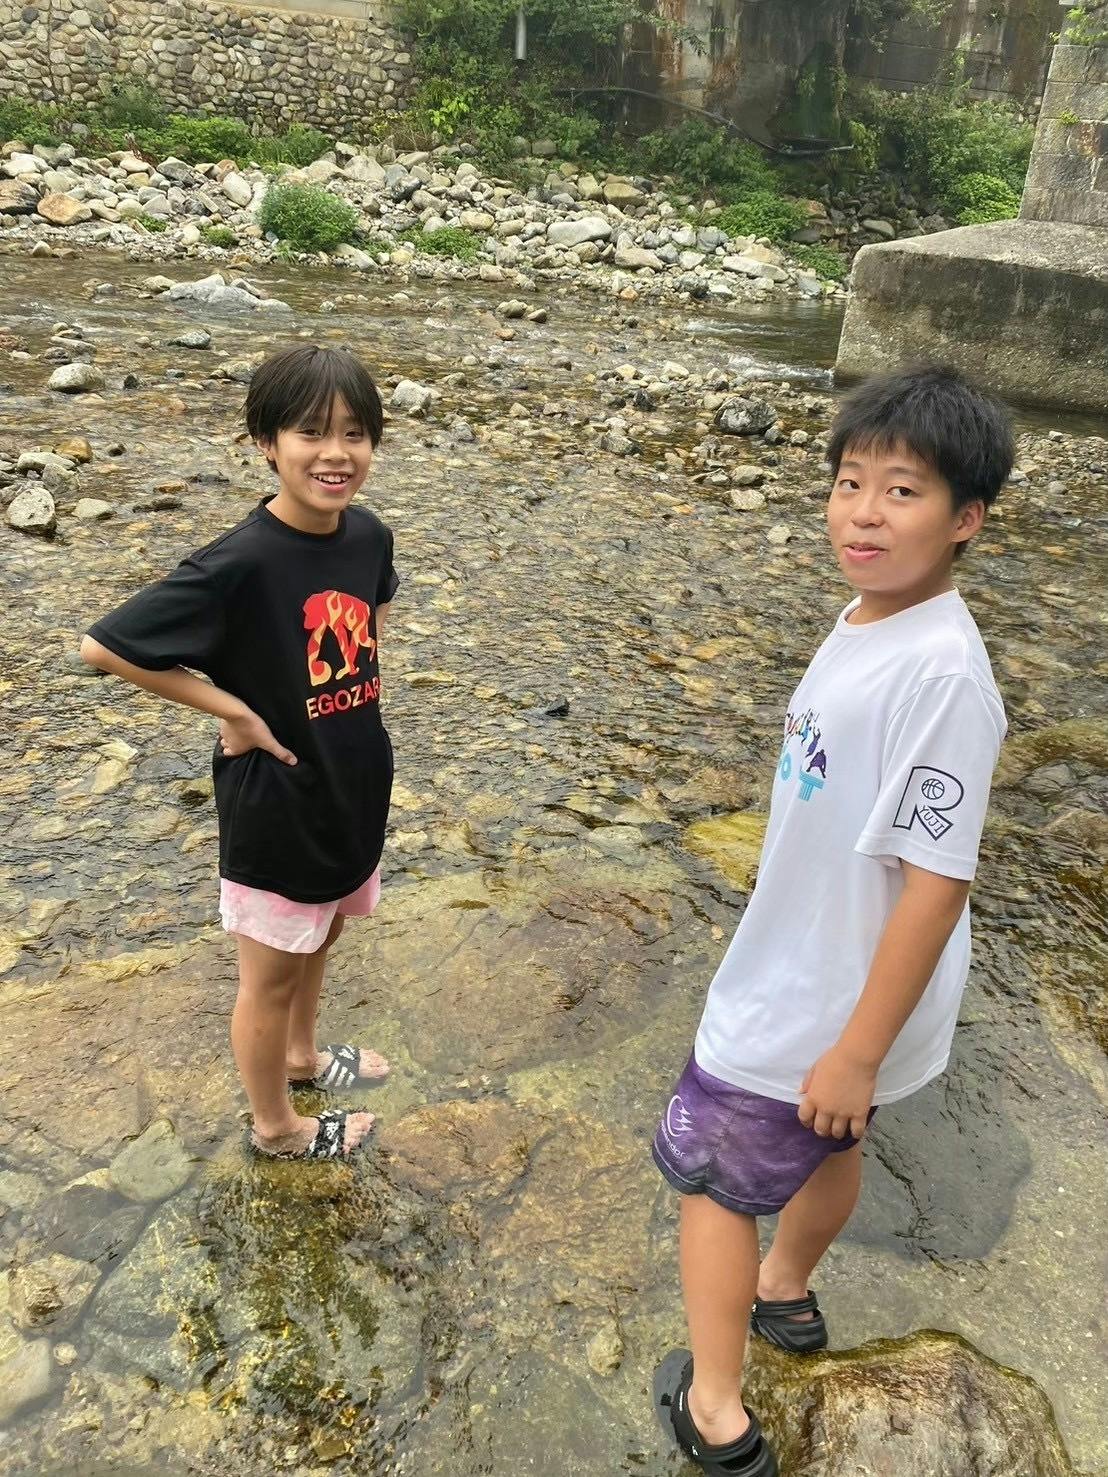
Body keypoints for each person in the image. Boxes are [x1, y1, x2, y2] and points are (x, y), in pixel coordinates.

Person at [651, 365, 1015, 1476]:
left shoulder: (944, 677)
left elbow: (938, 883)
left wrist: (855, 1049)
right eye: (849, 482)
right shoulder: (874, 615)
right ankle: (785, 1289)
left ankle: (717, 1411)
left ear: (965, 519)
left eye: (901, 491)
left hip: (822, 996)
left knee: (713, 1179)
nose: (862, 512)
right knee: (831, 1141)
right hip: (840, 977)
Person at [81, 344, 398, 1162]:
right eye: (311, 432)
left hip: (351, 781)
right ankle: (277, 1126)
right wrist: (236, 711)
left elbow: (370, 622)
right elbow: (106, 647)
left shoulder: (368, 535)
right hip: (278, 800)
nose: (335, 453)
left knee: (324, 932)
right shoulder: (239, 561)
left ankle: (302, 1055)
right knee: (269, 975)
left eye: (355, 433)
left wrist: (349, 711)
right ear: (266, 441)